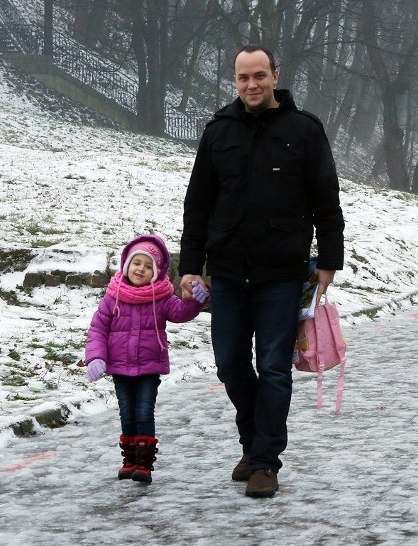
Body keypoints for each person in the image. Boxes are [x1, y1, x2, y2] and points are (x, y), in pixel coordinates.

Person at [178, 45, 344, 498]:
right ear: (235, 81)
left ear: (275, 75)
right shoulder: (218, 131)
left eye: (259, 76)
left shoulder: (304, 130)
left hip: (281, 273)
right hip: (228, 273)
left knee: (273, 367)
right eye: (242, 78)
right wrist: (191, 265)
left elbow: (326, 200)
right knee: (231, 364)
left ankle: (265, 462)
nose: (251, 85)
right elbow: (198, 204)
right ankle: (252, 443)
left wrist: (329, 260)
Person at [84, 234, 209, 484]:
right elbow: (98, 329)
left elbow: (179, 312)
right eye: (136, 263)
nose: (141, 269)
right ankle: (129, 460)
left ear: (156, 272)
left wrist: (194, 302)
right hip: (120, 367)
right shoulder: (113, 297)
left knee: (143, 413)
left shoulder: (160, 297)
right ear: (126, 265)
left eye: (148, 265)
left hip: (149, 368)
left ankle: (144, 464)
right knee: (127, 414)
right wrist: (95, 357)